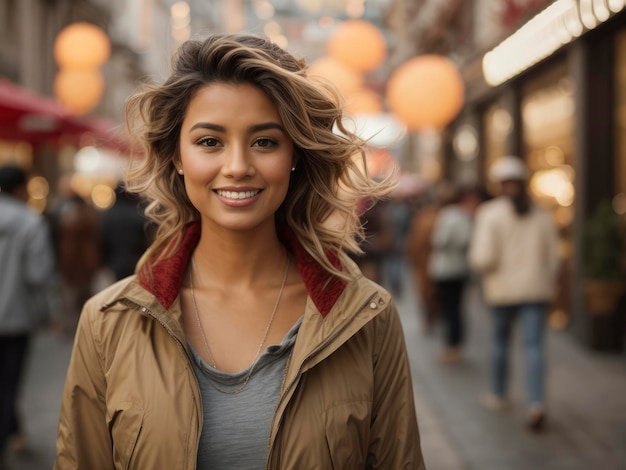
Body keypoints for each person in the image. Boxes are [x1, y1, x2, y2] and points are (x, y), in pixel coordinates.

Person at [54, 34, 424, 469]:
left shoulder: (366, 317)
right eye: (209, 142)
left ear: (294, 155)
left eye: (264, 141)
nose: (236, 166)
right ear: (176, 155)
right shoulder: (108, 322)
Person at [469, 156, 560, 432]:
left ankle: (499, 394)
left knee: (499, 343)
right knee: (534, 348)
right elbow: (555, 259)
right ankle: (536, 402)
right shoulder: (543, 214)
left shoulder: (490, 213)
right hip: (536, 290)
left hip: (503, 291)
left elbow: (483, 258)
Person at [0, 165, 55, 459]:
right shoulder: (30, 222)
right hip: (15, 317)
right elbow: (38, 274)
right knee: (9, 381)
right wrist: (48, 313)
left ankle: (12, 431)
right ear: (21, 188)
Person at [428, 187, 483, 363]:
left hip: (447, 269)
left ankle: (452, 346)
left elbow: (439, 240)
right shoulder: (461, 217)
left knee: (451, 309)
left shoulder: (449, 215)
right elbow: (462, 241)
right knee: (455, 309)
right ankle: (454, 346)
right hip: (455, 269)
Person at [100, 181, 154, 283]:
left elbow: (102, 240)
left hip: (113, 262)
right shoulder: (139, 214)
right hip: (136, 262)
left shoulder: (107, 215)